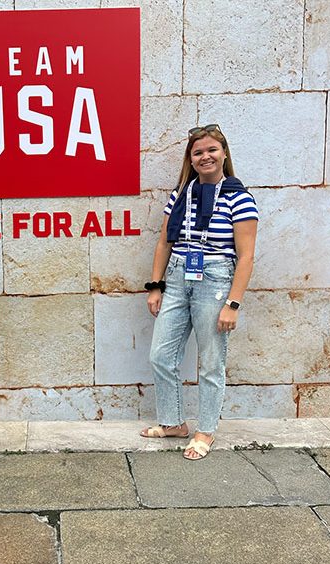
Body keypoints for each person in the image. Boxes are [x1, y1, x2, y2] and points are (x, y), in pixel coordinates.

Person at [140, 124, 258, 460]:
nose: (205, 156)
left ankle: (206, 430)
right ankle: (173, 423)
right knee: (161, 355)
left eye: (211, 150)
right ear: (190, 160)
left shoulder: (239, 197)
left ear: (223, 154)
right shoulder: (180, 195)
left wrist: (233, 303)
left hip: (216, 279)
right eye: (198, 152)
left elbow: (246, 256)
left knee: (211, 362)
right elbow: (164, 241)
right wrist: (156, 285)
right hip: (178, 276)